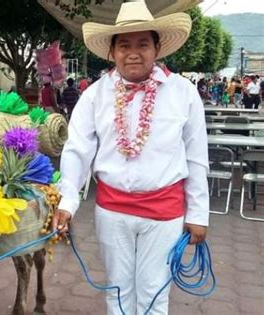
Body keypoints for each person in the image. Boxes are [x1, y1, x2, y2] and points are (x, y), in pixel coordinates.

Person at [52, 2, 209, 314]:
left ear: (157, 48)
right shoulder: (95, 95)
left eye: (143, 44)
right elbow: (77, 151)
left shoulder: (183, 93)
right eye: (124, 45)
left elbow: (196, 155)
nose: (133, 53)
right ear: (112, 52)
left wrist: (198, 213)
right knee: (118, 293)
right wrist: (66, 202)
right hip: (112, 211)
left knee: (154, 295)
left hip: (164, 211)